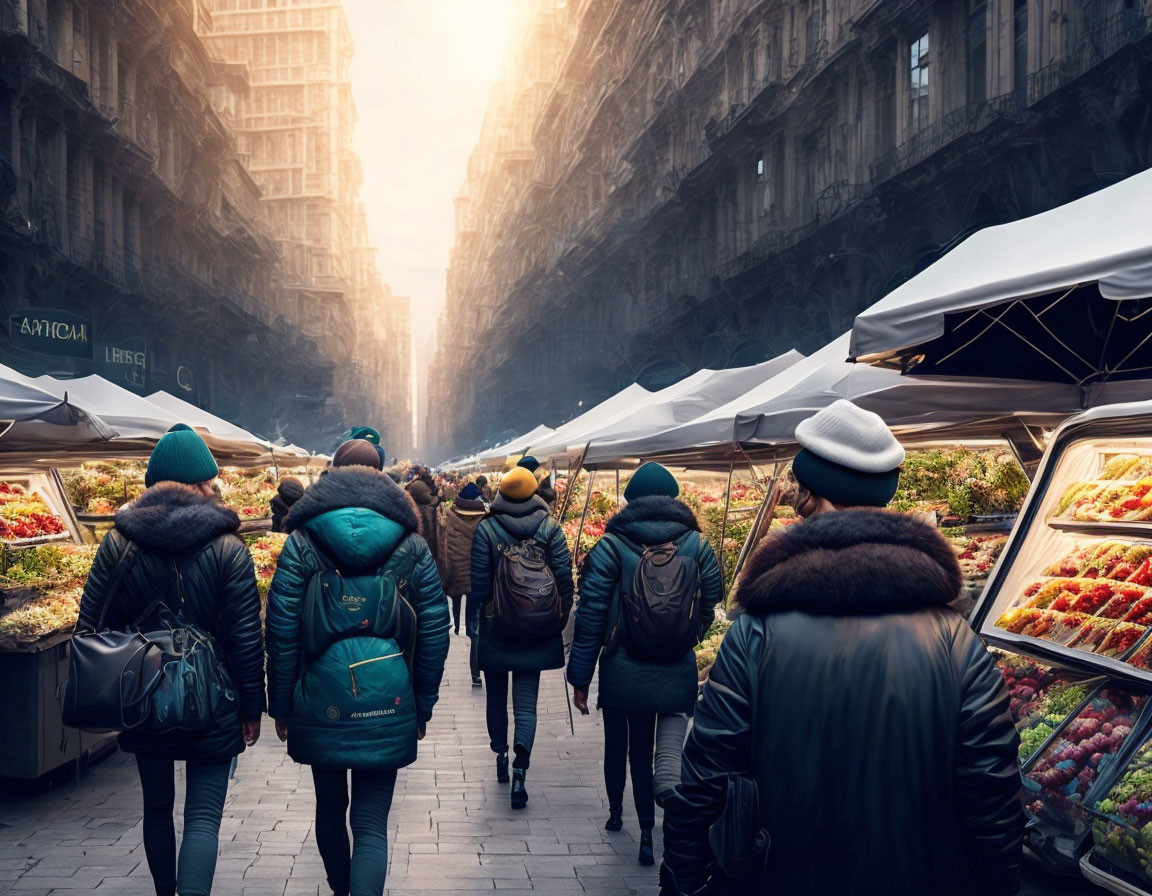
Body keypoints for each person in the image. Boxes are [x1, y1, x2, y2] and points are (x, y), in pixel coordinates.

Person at [661, 400, 1024, 896]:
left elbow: (706, 779)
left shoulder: (757, 634)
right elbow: (993, 795)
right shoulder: (955, 640)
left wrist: (681, 878)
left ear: (809, 497)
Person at [76, 423, 265, 896]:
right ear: (203, 483)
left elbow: (89, 627)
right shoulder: (229, 547)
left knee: (157, 809)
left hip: (142, 695)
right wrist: (251, 708)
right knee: (202, 819)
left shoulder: (118, 544)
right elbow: (246, 638)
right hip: (213, 701)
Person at [266, 439, 450, 896]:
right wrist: (422, 703)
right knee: (370, 822)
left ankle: (340, 889)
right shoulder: (411, 543)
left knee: (330, 807)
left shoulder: (303, 540)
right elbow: (433, 629)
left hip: (320, 694)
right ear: (382, 475)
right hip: (386, 694)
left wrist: (281, 705)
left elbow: (282, 628)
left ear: (333, 472)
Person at [567, 462, 722, 867]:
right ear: (674, 498)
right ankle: (656, 831)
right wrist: (690, 636)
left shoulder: (611, 546)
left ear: (630, 500)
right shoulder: (696, 544)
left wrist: (580, 677)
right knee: (663, 750)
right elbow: (713, 599)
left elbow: (590, 617)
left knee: (630, 748)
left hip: (623, 666)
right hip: (677, 666)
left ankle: (629, 821)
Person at [470, 467, 574, 809]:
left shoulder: (486, 527)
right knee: (526, 704)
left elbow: (480, 586)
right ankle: (521, 769)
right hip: (537, 628)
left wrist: (478, 622)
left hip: (498, 626)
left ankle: (500, 753)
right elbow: (563, 580)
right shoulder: (550, 527)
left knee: (496, 698)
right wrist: (556, 618)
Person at [438, 482, 487, 685]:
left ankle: (475, 673)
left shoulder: (448, 517)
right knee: (479, 625)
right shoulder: (486, 520)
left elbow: (443, 548)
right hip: (480, 578)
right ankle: (478, 670)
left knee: (473, 628)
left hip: (456, 575)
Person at [406, 465, 441, 562]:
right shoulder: (427, 487)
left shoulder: (416, 486)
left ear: (416, 474)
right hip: (431, 534)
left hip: (422, 528)